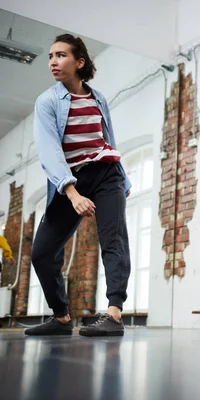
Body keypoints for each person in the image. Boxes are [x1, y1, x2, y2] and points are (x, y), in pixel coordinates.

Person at [24, 34, 132, 337]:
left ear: (79, 62)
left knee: (114, 240)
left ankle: (114, 314)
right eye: (50, 56)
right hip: (70, 180)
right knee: (42, 253)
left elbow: (107, 140)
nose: (53, 62)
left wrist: (123, 179)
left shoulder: (98, 98)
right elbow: (49, 150)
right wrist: (71, 192)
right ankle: (60, 318)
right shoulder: (47, 101)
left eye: (60, 55)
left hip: (106, 173)